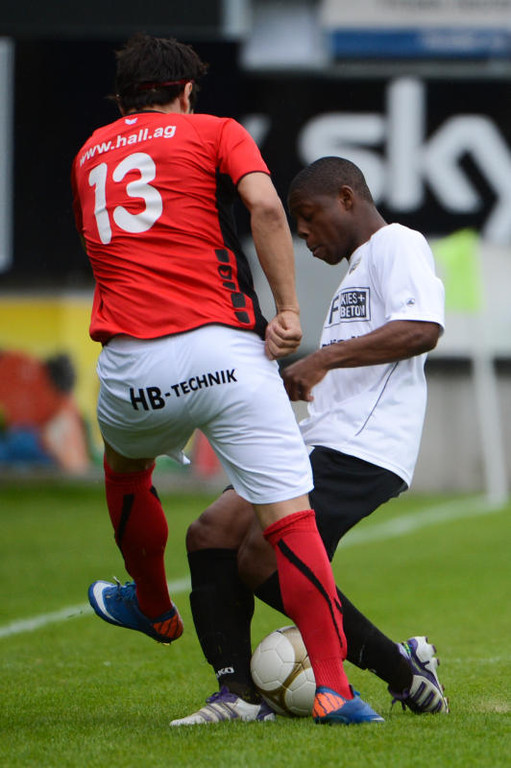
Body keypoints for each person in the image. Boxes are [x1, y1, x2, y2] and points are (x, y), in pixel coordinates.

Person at [71, 37, 383, 726]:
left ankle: (153, 604)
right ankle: (334, 690)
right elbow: (265, 208)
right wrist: (289, 311)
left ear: (122, 99)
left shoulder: (90, 153)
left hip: (131, 365)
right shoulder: (216, 130)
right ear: (186, 91)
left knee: (125, 471)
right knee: (289, 519)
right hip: (225, 351)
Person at [170, 156, 448, 726]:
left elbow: (423, 329)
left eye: (308, 216)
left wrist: (321, 360)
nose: (302, 233)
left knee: (261, 556)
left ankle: (402, 672)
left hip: (365, 447)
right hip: (318, 441)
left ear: (346, 198)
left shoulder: (398, 243)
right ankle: (238, 695)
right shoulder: (356, 273)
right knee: (211, 532)